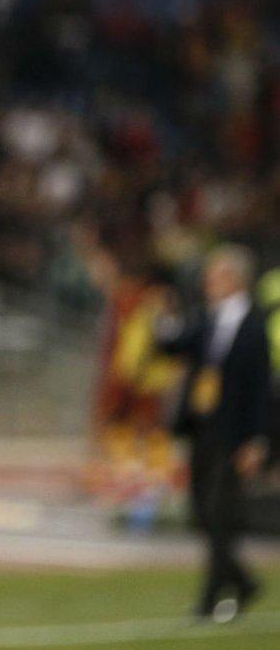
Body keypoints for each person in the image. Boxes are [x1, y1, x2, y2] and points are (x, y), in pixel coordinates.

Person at [159, 245, 271, 623]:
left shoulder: (255, 328)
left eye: (217, 274)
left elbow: (260, 391)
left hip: (233, 433)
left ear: (236, 279)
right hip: (202, 428)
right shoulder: (205, 320)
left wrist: (257, 441)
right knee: (201, 511)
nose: (209, 281)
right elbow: (172, 348)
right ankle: (241, 581)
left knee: (219, 512)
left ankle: (211, 599)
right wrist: (167, 317)